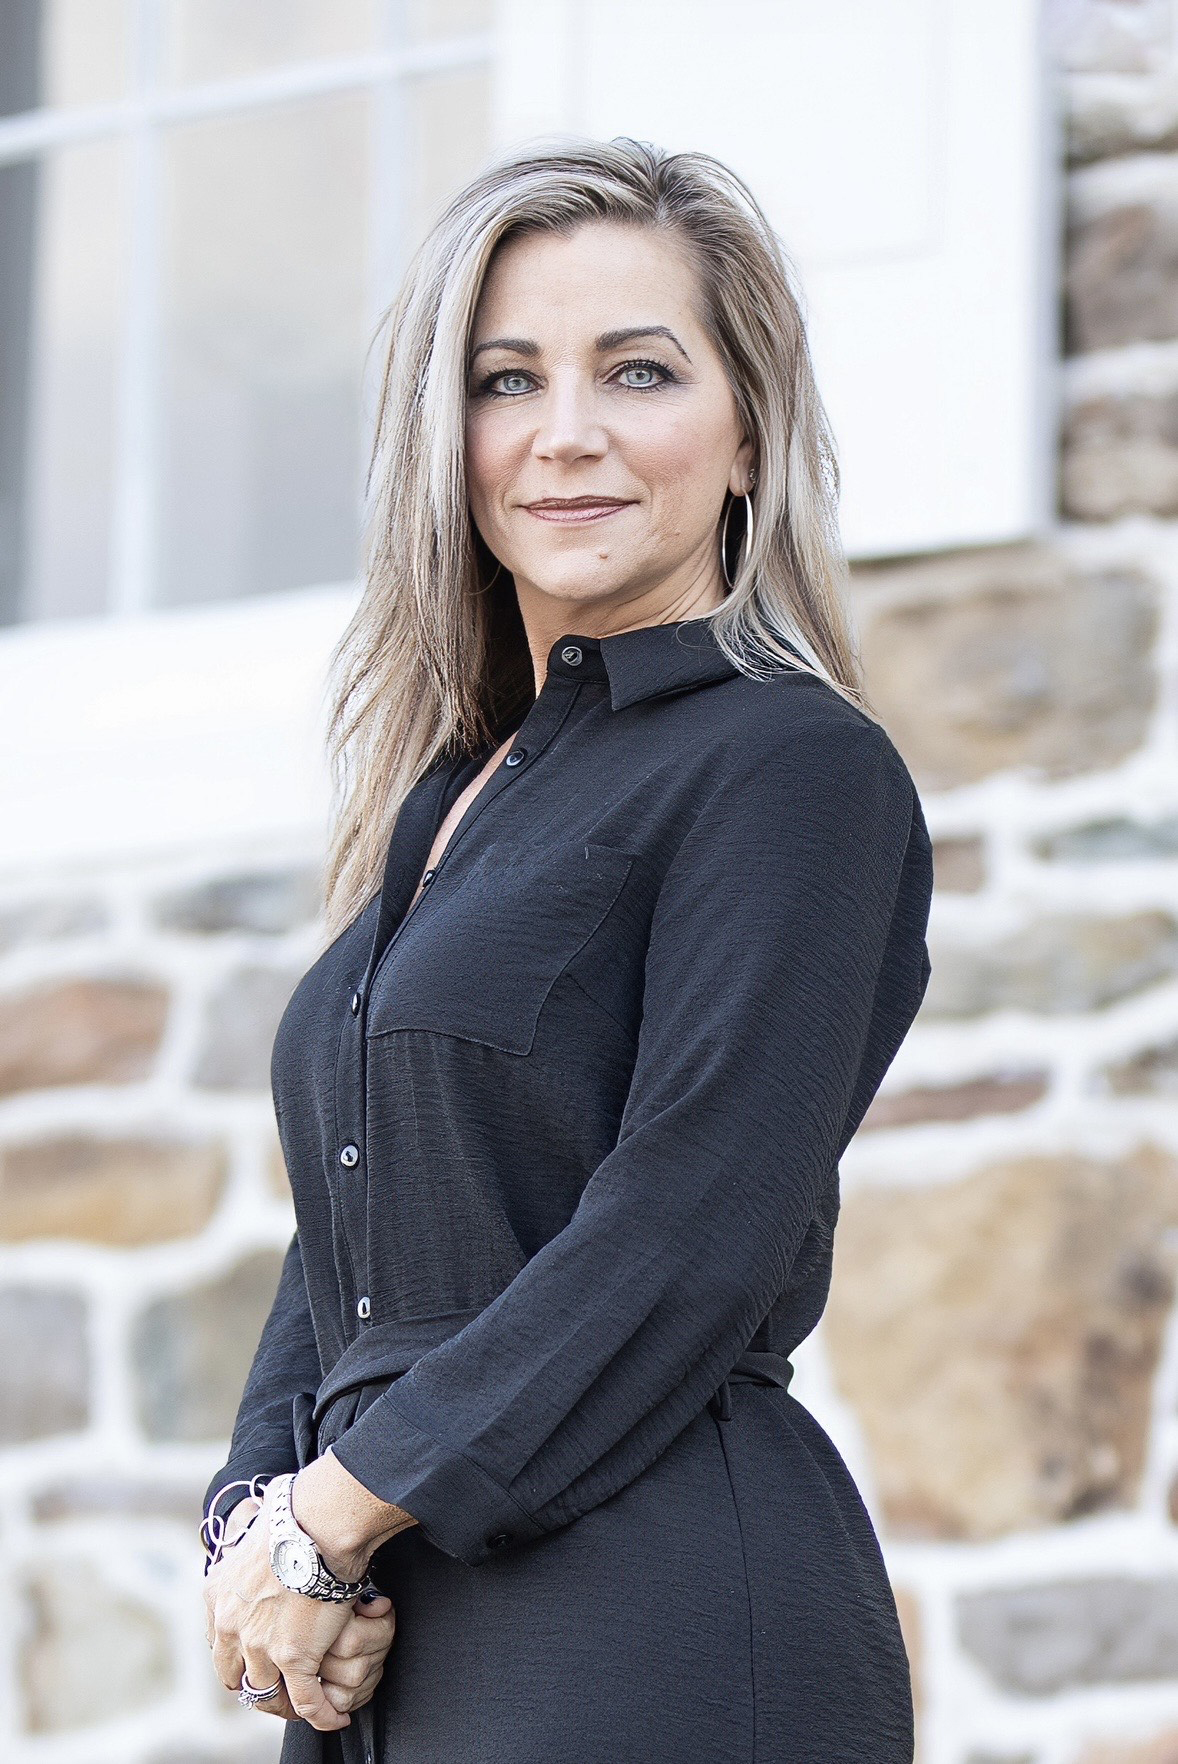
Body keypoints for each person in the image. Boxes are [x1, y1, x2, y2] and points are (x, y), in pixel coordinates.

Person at [201, 134, 933, 1764]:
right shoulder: (447, 806)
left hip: (645, 1604)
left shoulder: (788, 767)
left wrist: (328, 1514)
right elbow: (356, 1240)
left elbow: (693, 1222)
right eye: (507, 378)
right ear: (444, 440)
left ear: (747, 430)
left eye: (639, 372)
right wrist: (253, 1525)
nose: (567, 435)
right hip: (393, 1619)